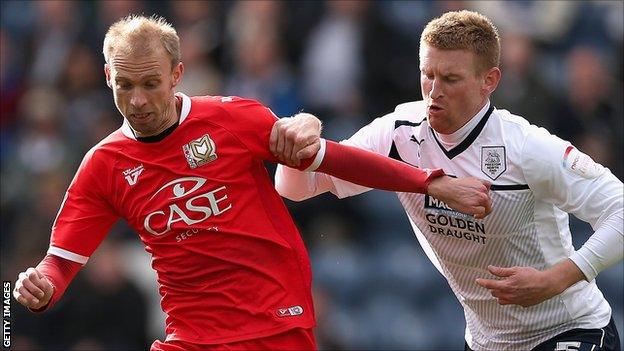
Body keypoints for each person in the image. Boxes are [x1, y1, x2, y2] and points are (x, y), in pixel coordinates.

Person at [11, 14, 493, 351]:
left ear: (177, 74)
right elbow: (61, 261)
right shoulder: (104, 166)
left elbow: (336, 159)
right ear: (107, 77)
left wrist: (431, 182)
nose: (137, 100)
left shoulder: (231, 120)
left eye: (150, 84)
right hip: (191, 338)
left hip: (274, 326)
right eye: (124, 85)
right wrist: (41, 285)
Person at [273, 10, 623, 351]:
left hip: (569, 329)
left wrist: (555, 280)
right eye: (427, 74)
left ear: (490, 81)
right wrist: (301, 133)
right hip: (487, 342)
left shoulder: (527, 147)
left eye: (451, 79)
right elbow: (296, 188)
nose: (434, 91)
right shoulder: (397, 133)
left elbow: (620, 209)